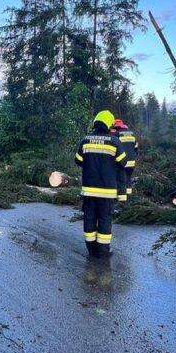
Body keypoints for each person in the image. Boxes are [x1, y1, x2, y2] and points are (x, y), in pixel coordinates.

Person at [75, 110, 128, 257]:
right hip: (107, 192)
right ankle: (103, 252)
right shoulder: (114, 142)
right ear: (109, 124)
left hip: (89, 191)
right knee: (105, 220)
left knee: (89, 219)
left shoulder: (85, 140)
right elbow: (123, 163)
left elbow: (78, 161)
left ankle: (91, 249)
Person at [112, 119, 138, 203]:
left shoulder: (116, 134)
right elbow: (136, 148)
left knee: (121, 181)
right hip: (132, 162)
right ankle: (129, 198)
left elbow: (114, 149)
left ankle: (121, 202)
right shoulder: (132, 134)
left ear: (115, 126)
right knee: (128, 180)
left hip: (122, 162)